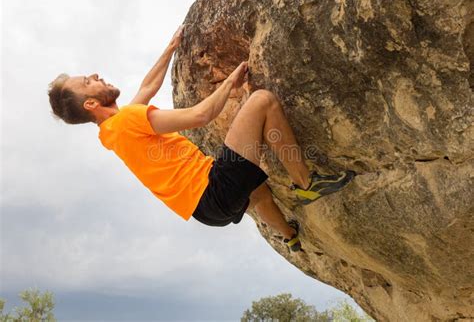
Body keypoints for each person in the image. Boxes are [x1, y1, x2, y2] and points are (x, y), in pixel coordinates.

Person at [47, 25, 355, 253]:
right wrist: (230, 82)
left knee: (256, 190)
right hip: (212, 188)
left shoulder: (110, 133)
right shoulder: (127, 121)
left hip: (206, 210)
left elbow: (146, 89)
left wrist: (170, 48)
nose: (96, 75)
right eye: (88, 82)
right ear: (91, 104)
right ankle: (307, 184)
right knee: (262, 101)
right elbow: (198, 116)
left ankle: (290, 236)